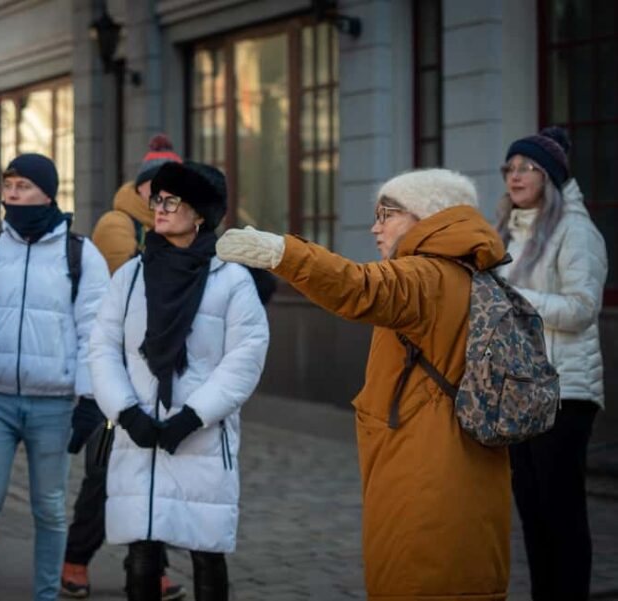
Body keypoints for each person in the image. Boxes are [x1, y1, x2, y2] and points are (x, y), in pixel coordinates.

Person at [216, 169, 512, 600]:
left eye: (386, 214)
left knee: (420, 579)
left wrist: (283, 252)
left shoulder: (426, 276)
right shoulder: (468, 274)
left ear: (425, 217)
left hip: (427, 466)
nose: (375, 226)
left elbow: (359, 287)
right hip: (458, 463)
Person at [89, 160, 269, 601]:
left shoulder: (231, 280)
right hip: (140, 435)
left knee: (205, 548)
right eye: (158, 201)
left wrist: (193, 417)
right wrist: (127, 412)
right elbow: (102, 348)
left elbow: (245, 357)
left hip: (201, 437)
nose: (160, 209)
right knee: (142, 549)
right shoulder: (131, 276)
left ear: (201, 213)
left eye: (172, 201)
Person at [0, 153, 110, 601]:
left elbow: (96, 332)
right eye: (8, 185)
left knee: (50, 509)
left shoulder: (82, 255)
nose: (12, 194)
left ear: (48, 194)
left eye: (23, 186)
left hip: (53, 406)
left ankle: (45, 596)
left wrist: (90, 399)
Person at [62, 134, 185, 600]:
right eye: (156, 190)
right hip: (116, 375)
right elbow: (132, 296)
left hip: (162, 375)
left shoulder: (173, 229)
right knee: (105, 475)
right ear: (141, 188)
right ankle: (75, 558)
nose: (162, 200)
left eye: (172, 193)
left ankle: (151, 569)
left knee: (155, 478)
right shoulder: (118, 225)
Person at [496, 127, 607, 601]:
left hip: (565, 392)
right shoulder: (506, 231)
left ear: (551, 177)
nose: (515, 176)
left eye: (527, 168)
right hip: (520, 390)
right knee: (532, 513)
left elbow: (582, 308)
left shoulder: (576, 231)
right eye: (510, 168)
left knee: (561, 514)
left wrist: (516, 298)